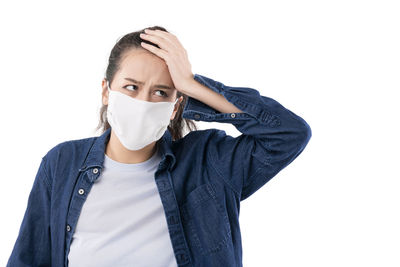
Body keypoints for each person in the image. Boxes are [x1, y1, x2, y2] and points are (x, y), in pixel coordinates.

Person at [7, 25, 312, 267]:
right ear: (105, 91)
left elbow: (288, 134)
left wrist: (193, 84)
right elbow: (29, 259)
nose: (142, 102)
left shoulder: (209, 162)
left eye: (160, 92)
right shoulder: (62, 163)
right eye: (131, 87)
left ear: (176, 106)